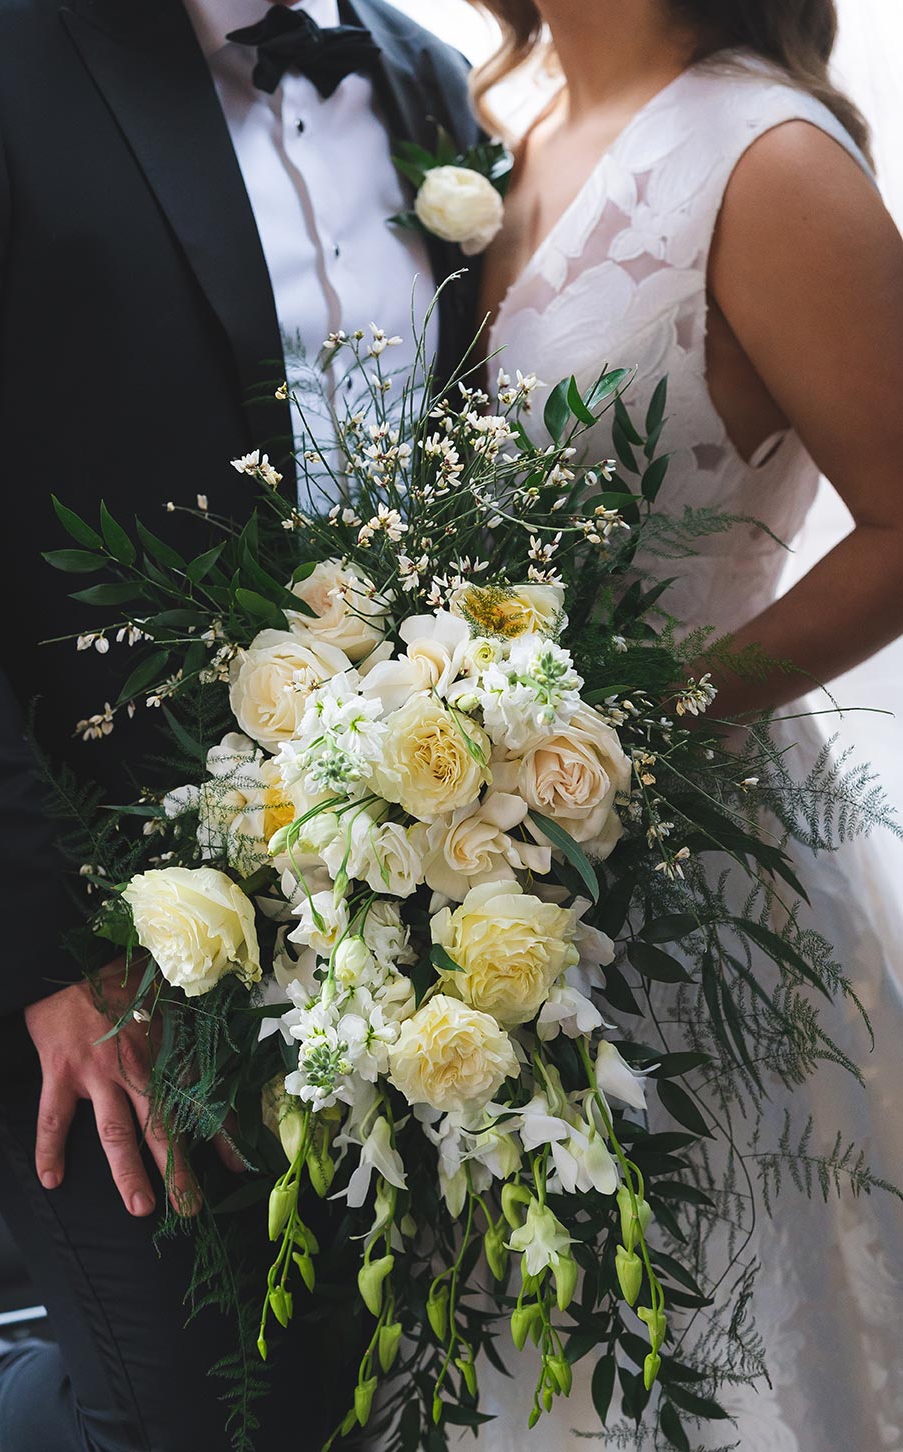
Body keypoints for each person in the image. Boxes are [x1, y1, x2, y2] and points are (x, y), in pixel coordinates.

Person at [0, 0, 479, 1447]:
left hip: (387, 902)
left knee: (358, 1395)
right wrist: (47, 952)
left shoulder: (428, 79)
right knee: (192, 1414)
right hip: (88, 900)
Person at [456, 0, 903, 1448]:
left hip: (699, 882)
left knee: (710, 1345)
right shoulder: (513, 129)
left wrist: (635, 730)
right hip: (486, 883)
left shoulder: (764, 159)